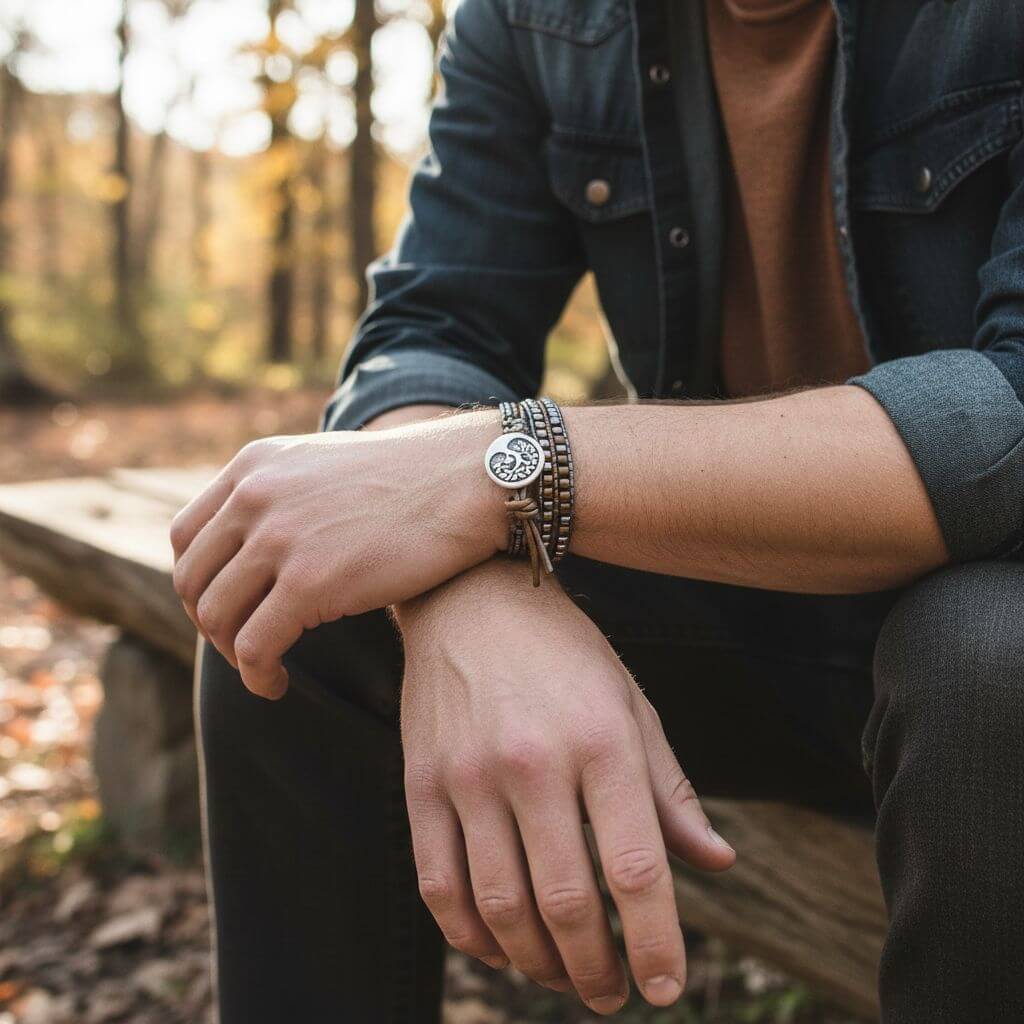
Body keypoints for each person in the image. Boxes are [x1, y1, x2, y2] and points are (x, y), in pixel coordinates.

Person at [171, 0, 1024, 1020]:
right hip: (767, 622)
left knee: (987, 652)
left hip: (972, 641)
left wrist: (504, 473)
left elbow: (1008, 418)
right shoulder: (537, 21)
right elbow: (433, 324)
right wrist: (468, 593)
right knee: (302, 607)